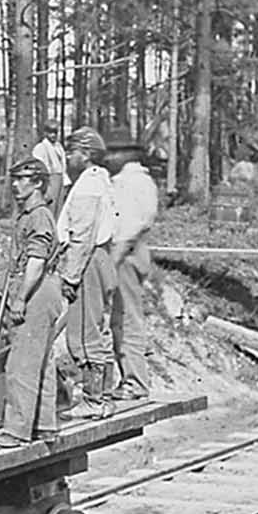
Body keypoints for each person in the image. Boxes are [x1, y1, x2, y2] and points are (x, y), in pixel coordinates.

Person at [0, 158, 65, 448]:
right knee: (41, 362)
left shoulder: (38, 216)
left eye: (23, 179)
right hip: (44, 288)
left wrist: (20, 298)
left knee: (21, 363)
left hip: (36, 289)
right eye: (15, 179)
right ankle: (44, 425)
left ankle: (17, 430)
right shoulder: (31, 214)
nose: (16, 185)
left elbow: (36, 260)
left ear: (39, 183)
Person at [56, 126, 117, 419]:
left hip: (88, 260)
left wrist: (70, 275)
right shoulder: (101, 180)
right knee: (99, 329)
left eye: (74, 152)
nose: (69, 157)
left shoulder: (88, 187)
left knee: (82, 332)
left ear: (87, 154)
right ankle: (103, 396)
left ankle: (93, 401)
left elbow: (81, 235)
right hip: (101, 258)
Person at [106, 133, 159, 400]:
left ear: (126, 156)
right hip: (128, 252)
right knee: (120, 319)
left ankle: (135, 381)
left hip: (125, 253)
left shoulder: (130, 182)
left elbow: (128, 229)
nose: (107, 158)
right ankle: (129, 377)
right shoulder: (136, 181)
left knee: (127, 320)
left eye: (113, 153)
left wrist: (110, 264)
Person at [32, 124, 68, 214]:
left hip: (60, 178)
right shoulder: (41, 147)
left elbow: (63, 165)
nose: (53, 135)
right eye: (50, 133)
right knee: (49, 205)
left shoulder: (59, 147)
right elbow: (38, 165)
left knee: (59, 207)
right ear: (45, 133)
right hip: (49, 179)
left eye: (55, 133)